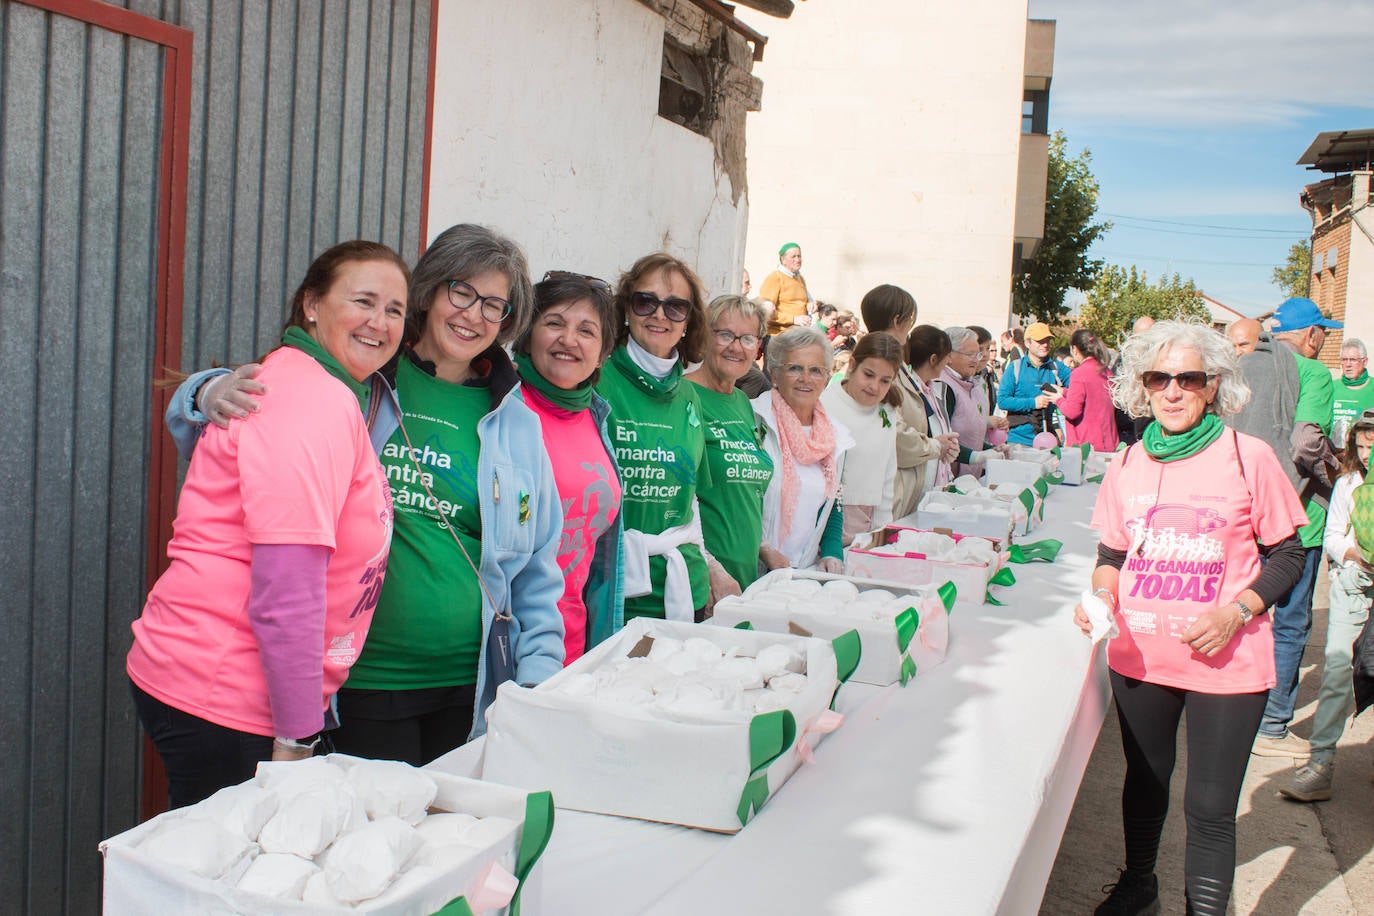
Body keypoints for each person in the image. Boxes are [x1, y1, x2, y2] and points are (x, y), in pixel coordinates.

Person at [128, 241, 408, 806]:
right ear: (311, 303)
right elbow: (288, 586)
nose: (380, 322)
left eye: (396, 310)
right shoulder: (310, 399)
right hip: (229, 692)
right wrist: (298, 736)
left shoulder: (326, 388)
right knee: (227, 885)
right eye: (364, 301)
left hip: (231, 686)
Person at [1075, 320, 1307, 916]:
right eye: (1159, 378)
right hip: (1142, 656)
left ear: (1213, 387)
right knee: (1144, 784)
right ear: (1142, 387)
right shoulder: (1126, 461)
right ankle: (1138, 884)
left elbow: (1288, 555)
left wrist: (1238, 611)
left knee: (1208, 806)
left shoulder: (1246, 455)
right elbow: (1112, 556)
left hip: (1226, 663)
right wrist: (1103, 597)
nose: (1172, 391)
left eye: (1188, 378)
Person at [1230, 297, 1341, 759]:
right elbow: (1305, 442)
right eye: (1325, 335)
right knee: (1292, 621)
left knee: (1243, 610)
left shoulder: (1243, 367)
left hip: (1241, 512)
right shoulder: (1314, 374)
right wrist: (1336, 473)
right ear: (1312, 335)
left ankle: (1231, 706)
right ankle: (1271, 725)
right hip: (1298, 520)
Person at [511, 271, 624, 664]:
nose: (569, 340)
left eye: (587, 331)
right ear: (527, 333)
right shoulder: (505, 412)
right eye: (554, 323)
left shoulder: (597, 417)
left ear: (604, 351)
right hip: (508, 648)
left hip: (575, 648)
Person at [598, 252, 713, 623]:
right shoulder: (596, 379)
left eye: (675, 307)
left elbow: (690, 502)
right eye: (645, 301)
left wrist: (711, 569)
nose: (660, 315)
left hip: (683, 586)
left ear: (689, 320)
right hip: (615, 588)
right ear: (627, 310)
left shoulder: (690, 396)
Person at [1281, 411, 1374, 801]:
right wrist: (1356, 554)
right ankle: (1320, 765)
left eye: (1373, 446)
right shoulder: (1349, 483)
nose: (1366, 454)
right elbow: (1334, 536)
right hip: (1355, 588)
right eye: (1362, 446)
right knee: (1337, 674)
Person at [685, 295, 776, 601]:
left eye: (747, 338)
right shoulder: (684, 395)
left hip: (745, 577)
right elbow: (679, 499)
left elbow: (743, 492)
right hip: (705, 583)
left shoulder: (742, 402)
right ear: (704, 338)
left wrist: (763, 548)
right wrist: (710, 569)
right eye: (725, 335)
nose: (736, 347)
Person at [755, 326, 851, 573]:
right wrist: (763, 549)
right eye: (795, 368)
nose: (806, 379)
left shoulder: (836, 438)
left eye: (816, 370)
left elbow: (834, 503)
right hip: (750, 568)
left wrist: (832, 552)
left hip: (803, 571)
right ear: (774, 374)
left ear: (828, 379)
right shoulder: (753, 421)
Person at [857, 284, 949, 517]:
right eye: (910, 319)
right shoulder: (880, 363)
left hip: (898, 489)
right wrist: (935, 445)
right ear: (898, 320)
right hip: (886, 494)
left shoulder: (895, 363)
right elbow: (891, 431)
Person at [821, 332, 902, 543]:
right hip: (828, 519)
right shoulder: (825, 405)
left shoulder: (887, 410)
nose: (874, 387)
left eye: (885, 381)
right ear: (852, 365)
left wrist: (882, 529)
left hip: (869, 518)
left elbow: (887, 470)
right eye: (868, 374)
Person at [938, 327, 1005, 477]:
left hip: (968, 475)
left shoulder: (969, 382)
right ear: (949, 355)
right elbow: (941, 436)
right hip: (948, 476)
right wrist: (976, 456)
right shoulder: (944, 386)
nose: (977, 359)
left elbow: (971, 435)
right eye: (970, 355)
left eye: (978, 354)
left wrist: (990, 449)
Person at [902, 325, 960, 498]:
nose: (949, 362)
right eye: (947, 357)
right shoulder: (908, 392)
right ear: (934, 359)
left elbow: (941, 434)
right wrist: (936, 446)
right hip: (916, 492)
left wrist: (950, 450)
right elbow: (907, 443)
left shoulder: (937, 391)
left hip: (937, 488)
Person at [997, 321, 1070, 446]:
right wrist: (1033, 403)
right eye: (1040, 341)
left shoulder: (1058, 368)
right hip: (1018, 441)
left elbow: (1080, 389)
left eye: (1048, 340)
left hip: (1047, 441)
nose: (1045, 345)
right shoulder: (1015, 367)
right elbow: (1003, 401)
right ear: (1027, 343)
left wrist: (1063, 392)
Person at [1058, 328, 1119, 452]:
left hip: (1086, 446)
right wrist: (1064, 392)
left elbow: (1072, 411)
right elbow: (1093, 397)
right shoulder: (1106, 371)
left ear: (1074, 349)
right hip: (1109, 441)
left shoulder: (1079, 373)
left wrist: (1058, 400)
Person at [759, 243, 814, 336]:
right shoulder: (775, 278)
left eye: (799, 256)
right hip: (778, 335)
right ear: (783, 260)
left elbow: (802, 301)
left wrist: (810, 304)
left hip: (798, 334)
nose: (798, 260)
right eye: (793, 256)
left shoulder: (800, 278)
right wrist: (793, 319)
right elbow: (764, 311)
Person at [1332, 338, 1374, 446]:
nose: (1348, 364)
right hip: (1333, 454)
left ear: (1364, 362)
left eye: (1353, 360)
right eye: (1344, 360)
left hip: (1363, 454)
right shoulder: (1330, 387)